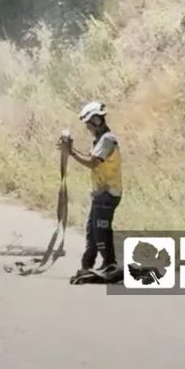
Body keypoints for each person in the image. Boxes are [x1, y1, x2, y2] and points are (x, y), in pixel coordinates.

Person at [58, 101, 122, 280]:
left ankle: (110, 265)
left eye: (88, 124)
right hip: (100, 193)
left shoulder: (108, 140)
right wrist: (70, 150)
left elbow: (93, 163)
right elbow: (91, 158)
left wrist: (70, 153)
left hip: (108, 193)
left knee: (101, 230)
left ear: (96, 120)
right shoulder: (100, 141)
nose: (87, 128)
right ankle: (88, 266)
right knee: (91, 231)